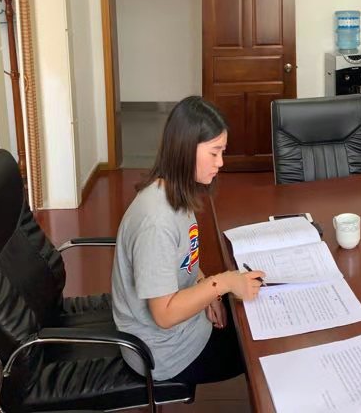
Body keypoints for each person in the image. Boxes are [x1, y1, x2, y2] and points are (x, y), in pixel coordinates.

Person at [111, 96, 265, 383]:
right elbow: (164, 315)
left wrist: (207, 288)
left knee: (255, 313)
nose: (220, 163)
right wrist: (221, 284)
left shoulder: (174, 191)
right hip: (165, 352)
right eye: (214, 153)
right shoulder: (156, 222)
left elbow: (183, 259)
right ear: (185, 150)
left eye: (222, 152)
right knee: (262, 346)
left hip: (183, 328)